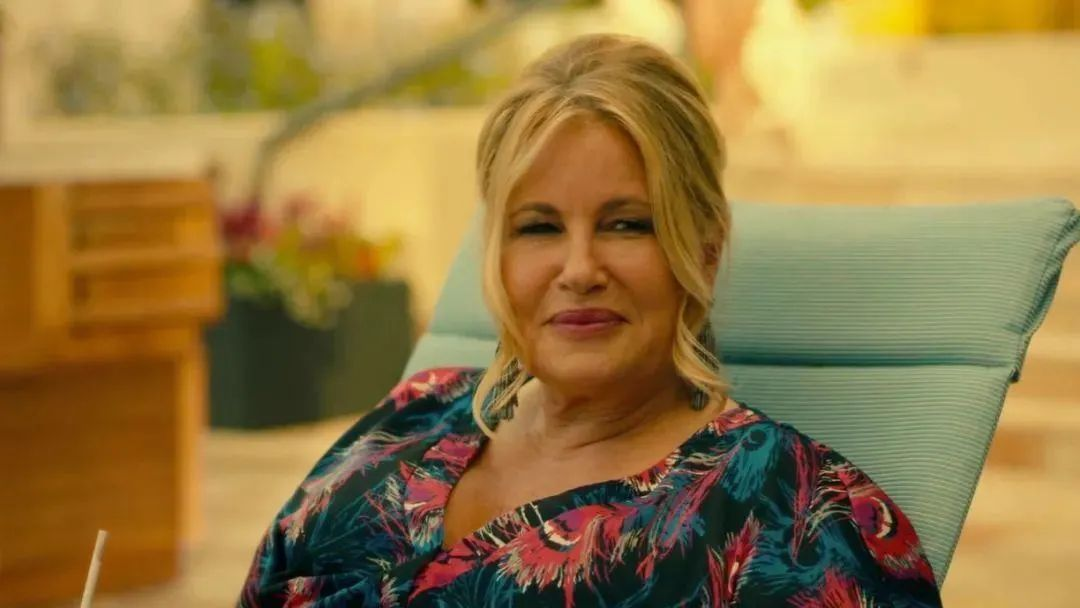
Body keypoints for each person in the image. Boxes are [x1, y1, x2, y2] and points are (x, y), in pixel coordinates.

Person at [239, 33, 942, 607]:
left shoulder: (791, 518)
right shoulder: (416, 413)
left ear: (703, 249)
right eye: (539, 227)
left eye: (626, 224)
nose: (578, 269)